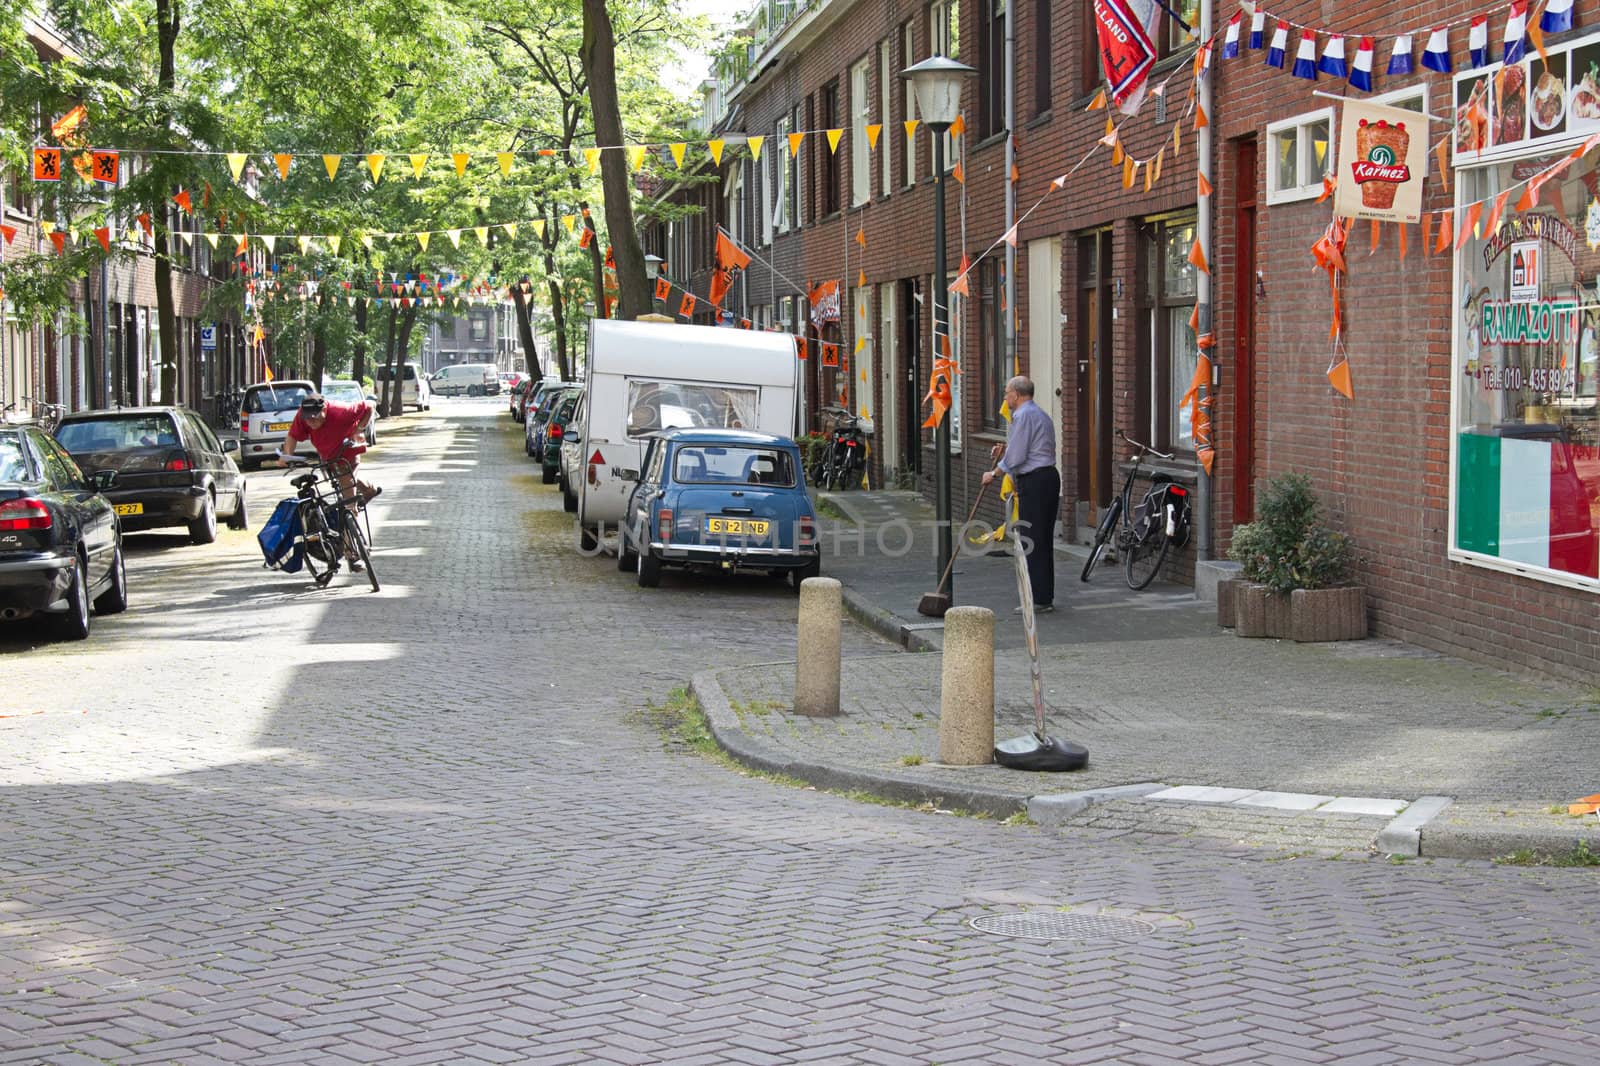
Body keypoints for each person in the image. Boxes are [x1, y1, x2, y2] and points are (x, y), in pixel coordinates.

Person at [269, 394, 380, 567]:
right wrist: (287, 456)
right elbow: (292, 436)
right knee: (348, 484)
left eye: (316, 417)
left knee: (348, 503)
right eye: (308, 419)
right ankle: (369, 491)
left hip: (347, 454)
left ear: (325, 409)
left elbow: (369, 406)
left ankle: (352, 555)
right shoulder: (302, 416)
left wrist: (359, 429)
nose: (312, 422)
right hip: (328, 459)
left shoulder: (341, 410)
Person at [982, 376, 1059, 613]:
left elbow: (1017, 457)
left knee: (1032, 540)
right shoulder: (1040, 414)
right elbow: (1030, 446)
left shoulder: (1022, 416)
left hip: (1034, 482)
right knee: (1042, 538)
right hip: (1048, 478)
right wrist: (1006, 450)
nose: (1005, 398)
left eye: (1007, 394)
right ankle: (1043, 595)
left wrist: (994, 473)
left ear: (1016, 394)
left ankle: (1037, 598)